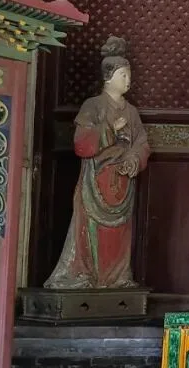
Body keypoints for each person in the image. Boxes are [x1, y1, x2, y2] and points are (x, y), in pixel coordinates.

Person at [46, 37, 149, 289]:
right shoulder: (92, 105)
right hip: (96, 180)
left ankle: (118, 278)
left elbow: (142, 143)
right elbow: (81, 143)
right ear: (109, 77)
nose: (128, 80)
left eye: (129, 75)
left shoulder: (132, 112)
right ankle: (85, 275)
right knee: (89, 229)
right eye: (123, 75)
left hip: (123, 181)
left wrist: (133, 159)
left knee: (121, 233)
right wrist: (111, 128)